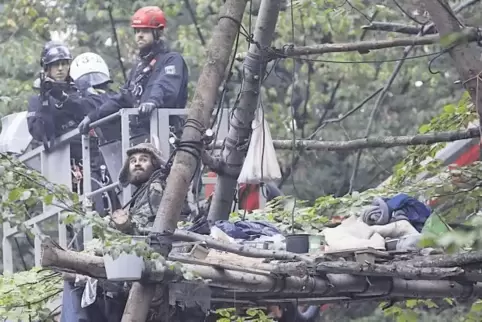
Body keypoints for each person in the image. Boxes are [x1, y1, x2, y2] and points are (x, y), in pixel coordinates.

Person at [77, 6, 189, 142]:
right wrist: (93, 116)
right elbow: (124, 98)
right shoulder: (139, 67)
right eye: (137, 31)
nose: (139, 35)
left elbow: (165, 85)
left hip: (167, 134)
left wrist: (152, 101)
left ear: (158, 32)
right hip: (141, 136)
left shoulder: (172, 59)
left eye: (145, 30)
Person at [27, 41, 81, 154]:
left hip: (86, 152)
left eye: (64, 63)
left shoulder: (80, 91)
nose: (60, 68)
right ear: (47, 68)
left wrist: (64, 98)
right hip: (57, 159)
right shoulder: (37, 100)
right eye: (56, 64)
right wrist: (45, 102)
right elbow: (38, 134)